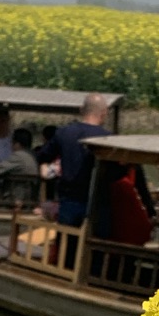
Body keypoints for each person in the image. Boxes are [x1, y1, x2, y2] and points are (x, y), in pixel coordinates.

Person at [40, 94, 110, 227]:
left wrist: (44, 168)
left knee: (66, 243)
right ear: (104, 113)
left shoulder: (63, 133)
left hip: (68, 200)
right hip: (97, 203)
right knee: (94, 244)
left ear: (81, 110)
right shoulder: (108, 138)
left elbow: (44, 156)